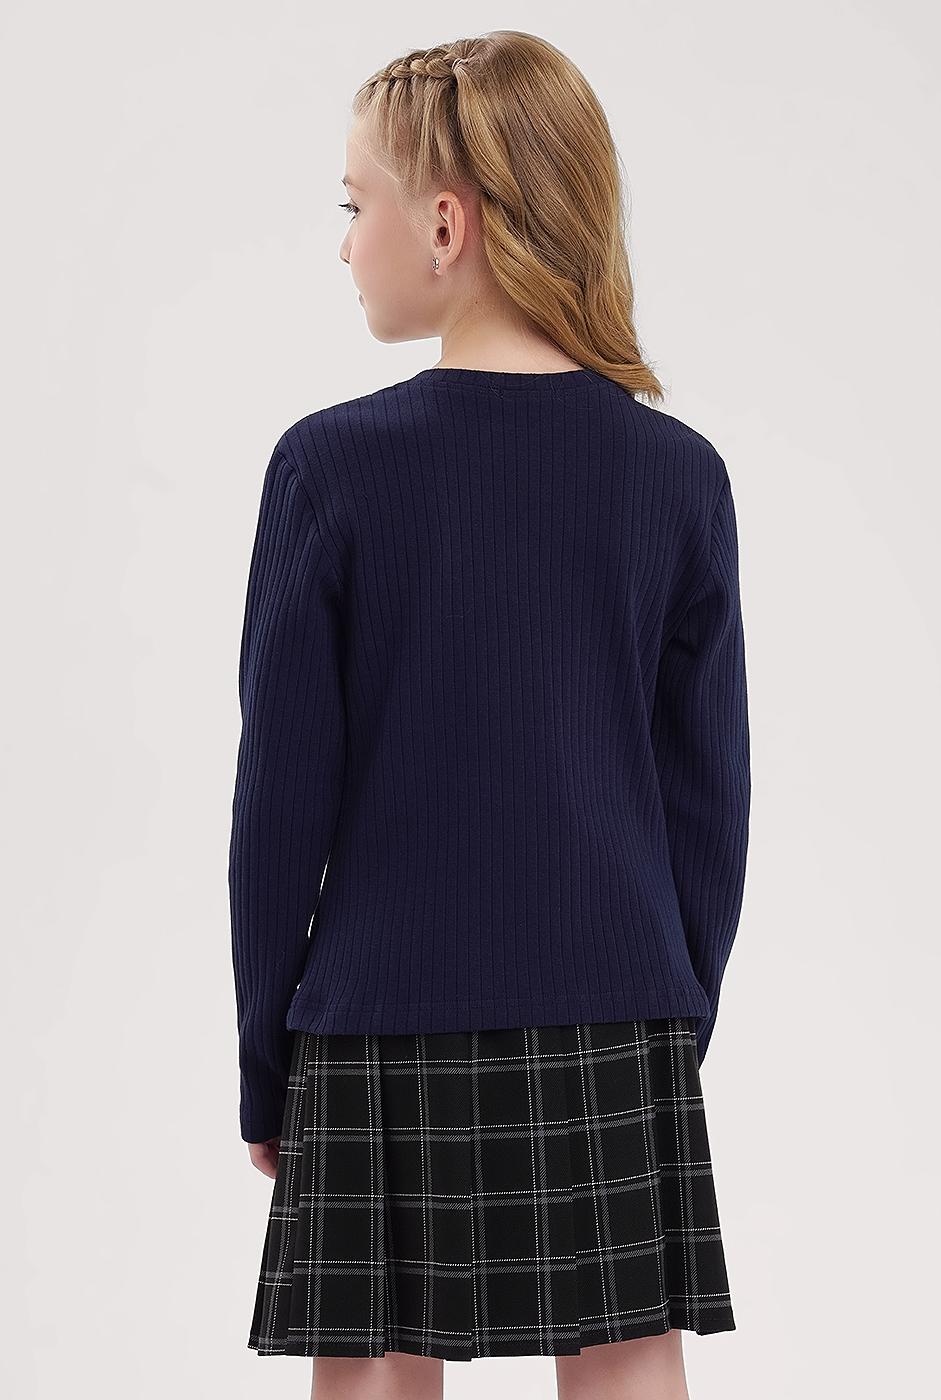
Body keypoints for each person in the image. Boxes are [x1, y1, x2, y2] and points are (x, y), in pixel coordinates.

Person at [228, 29, 751, 1400]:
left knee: (377, 1367)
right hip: (615, 1004)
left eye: (358, 205)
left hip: (377, 1012)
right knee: (630, 1363)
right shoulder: (677, 476)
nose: (346, 244)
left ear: (446, 225)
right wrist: (669, 1016)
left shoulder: (329, 470)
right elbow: (710, 802)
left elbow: (280, 803)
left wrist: (266, 1059)